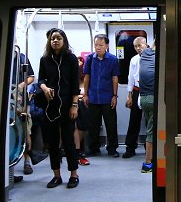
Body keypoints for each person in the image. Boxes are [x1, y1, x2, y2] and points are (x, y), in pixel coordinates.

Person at [37, 28, 81, 189]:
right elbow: (40, 78)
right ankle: (56, 175)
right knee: (53, 143)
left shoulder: (70, 59)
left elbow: (75, 84)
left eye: (58, 38)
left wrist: (74, 105)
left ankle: (74, 175)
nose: (55, 41)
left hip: (68, 106)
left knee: (69, 141)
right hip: (51, 106)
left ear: (64, 40)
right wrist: (44, 87)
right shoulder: (45, 59)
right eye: (52, 39)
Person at [82, 34, 119, 157]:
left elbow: (115, 78)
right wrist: (85, 94)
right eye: (96, 45)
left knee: (111, 124)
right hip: (93, 97)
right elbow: (86, 77)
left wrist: (114, 95)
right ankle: (94, 148)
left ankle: (112, 148)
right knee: (93, 125)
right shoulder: (90, 59)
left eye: (101, 45)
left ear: (107, 46)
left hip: (107, 97)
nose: (98, 48)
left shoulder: (113, 59)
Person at [123, 35, 147, 158]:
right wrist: (130, 96)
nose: (138, 48)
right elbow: (130, 78)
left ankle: (150, 148)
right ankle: (130, 147)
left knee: (149, 121)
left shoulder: (153, 58)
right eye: (135, 46)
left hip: (149, 91)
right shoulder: (134, 59)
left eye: (140, 45)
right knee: (134, 120)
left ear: (146, 45)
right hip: (136, 90)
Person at [137, 41, 158, 174]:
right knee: (151, 131)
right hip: (153, 98)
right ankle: (148, 163)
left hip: (143, 97)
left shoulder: (144, 55)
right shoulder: (159, 57)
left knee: (151, 128)